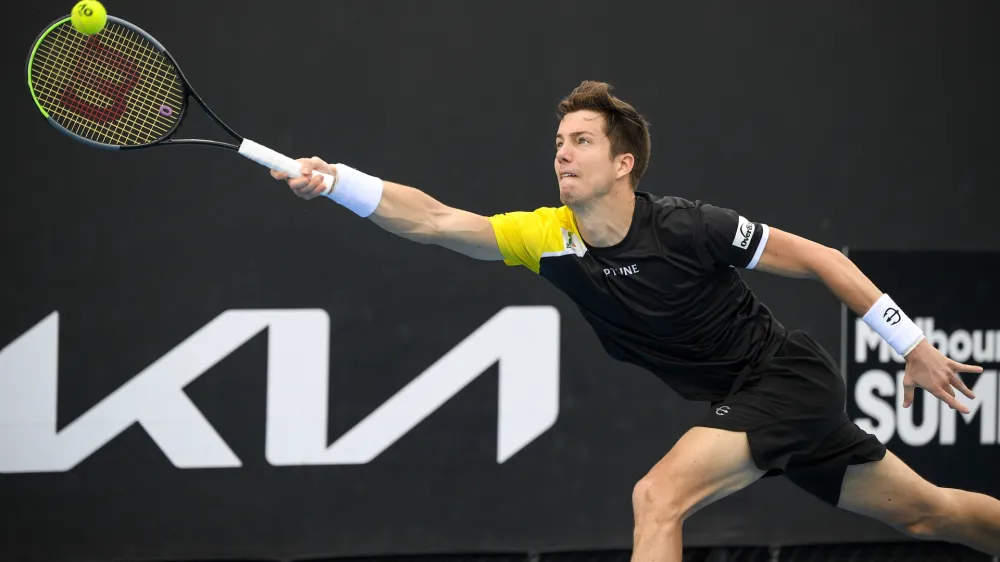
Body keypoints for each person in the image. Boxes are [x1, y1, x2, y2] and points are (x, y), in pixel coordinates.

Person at [271, 81, 1000, 561]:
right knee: (929, 513)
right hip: (749, 400)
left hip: (785, 382)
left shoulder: (689, 227)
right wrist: (336, 182)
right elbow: (433, 221)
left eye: (581, 141)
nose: (562, 153)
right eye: (558, 143)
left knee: (657, 497)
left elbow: (822, 259)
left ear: (623, 164)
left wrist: (911, 344)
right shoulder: (549, 236)